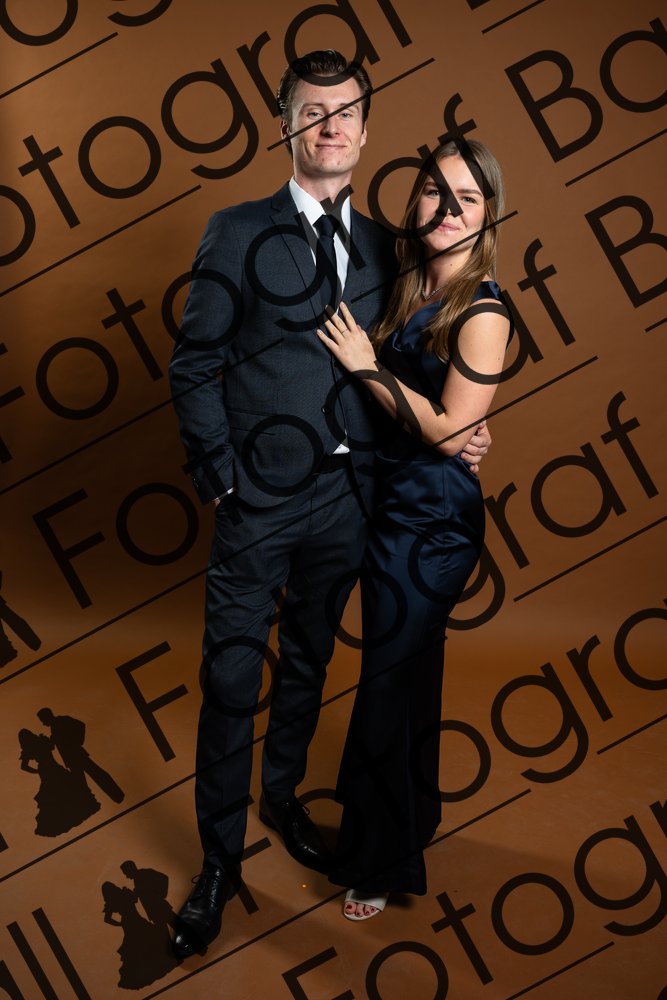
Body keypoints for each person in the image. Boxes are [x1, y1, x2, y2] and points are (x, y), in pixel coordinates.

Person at [168, 50, 491, 956]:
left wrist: (464, 429)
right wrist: (222, 478)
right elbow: (193, 363)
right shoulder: (234, 230)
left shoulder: (390, 247)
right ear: (285, 124)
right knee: (233, 678)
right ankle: (219, 859)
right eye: (312, 110)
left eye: (345, 110)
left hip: (351, 502)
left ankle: (281, 799)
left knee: (308, 663)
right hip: (257, 504)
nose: (330, 124)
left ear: (364, 127)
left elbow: (422, 357)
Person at [316, 138, 512, 918]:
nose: (447, 208)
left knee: (385, 683)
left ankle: (375, 862)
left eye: (467, 197)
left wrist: (365, 365)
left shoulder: (483, 309)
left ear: (488, 215)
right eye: (435, 190)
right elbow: (444, 416)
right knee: (409, 681)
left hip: (432, 525)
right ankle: (411, 824)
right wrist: (453, 422)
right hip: (386, 503)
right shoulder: (406, 280)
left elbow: (444, 430)